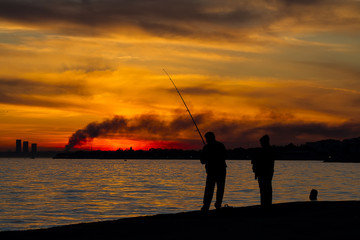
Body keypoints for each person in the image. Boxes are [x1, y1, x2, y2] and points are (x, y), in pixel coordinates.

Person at [200, 132, 227, 211]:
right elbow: (225, 156)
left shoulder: (207, 147)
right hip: (220, 170)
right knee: (219, 188)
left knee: (209, 188)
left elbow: (202, 161)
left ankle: (206, 206)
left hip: (213, 171)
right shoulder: (220, 145)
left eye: (207, 139)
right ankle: (217, 205)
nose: (206, 140)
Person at [251, 134, 276, 209]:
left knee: (265, 189)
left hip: (265, 173)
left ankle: (266, 205)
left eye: (262, 142)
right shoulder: (267, 151)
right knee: (265, 189)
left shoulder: (267, 151)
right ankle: (266, 204)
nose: (261, 144)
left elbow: (260, 161)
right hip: (264, 173)